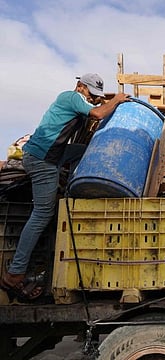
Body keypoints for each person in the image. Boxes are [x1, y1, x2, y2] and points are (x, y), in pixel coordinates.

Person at [0, 73, 130, 301]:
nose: (92, 98)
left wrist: (103, 101)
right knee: (42, 213)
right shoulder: (71, 96)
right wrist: (116, 99)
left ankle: (75, 183)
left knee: (85, 151)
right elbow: (98, 113)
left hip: (54, 156)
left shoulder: (78, 101)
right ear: (80, 86)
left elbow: (95, 110)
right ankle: (15, 273)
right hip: (43, 160)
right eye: (91, 93)